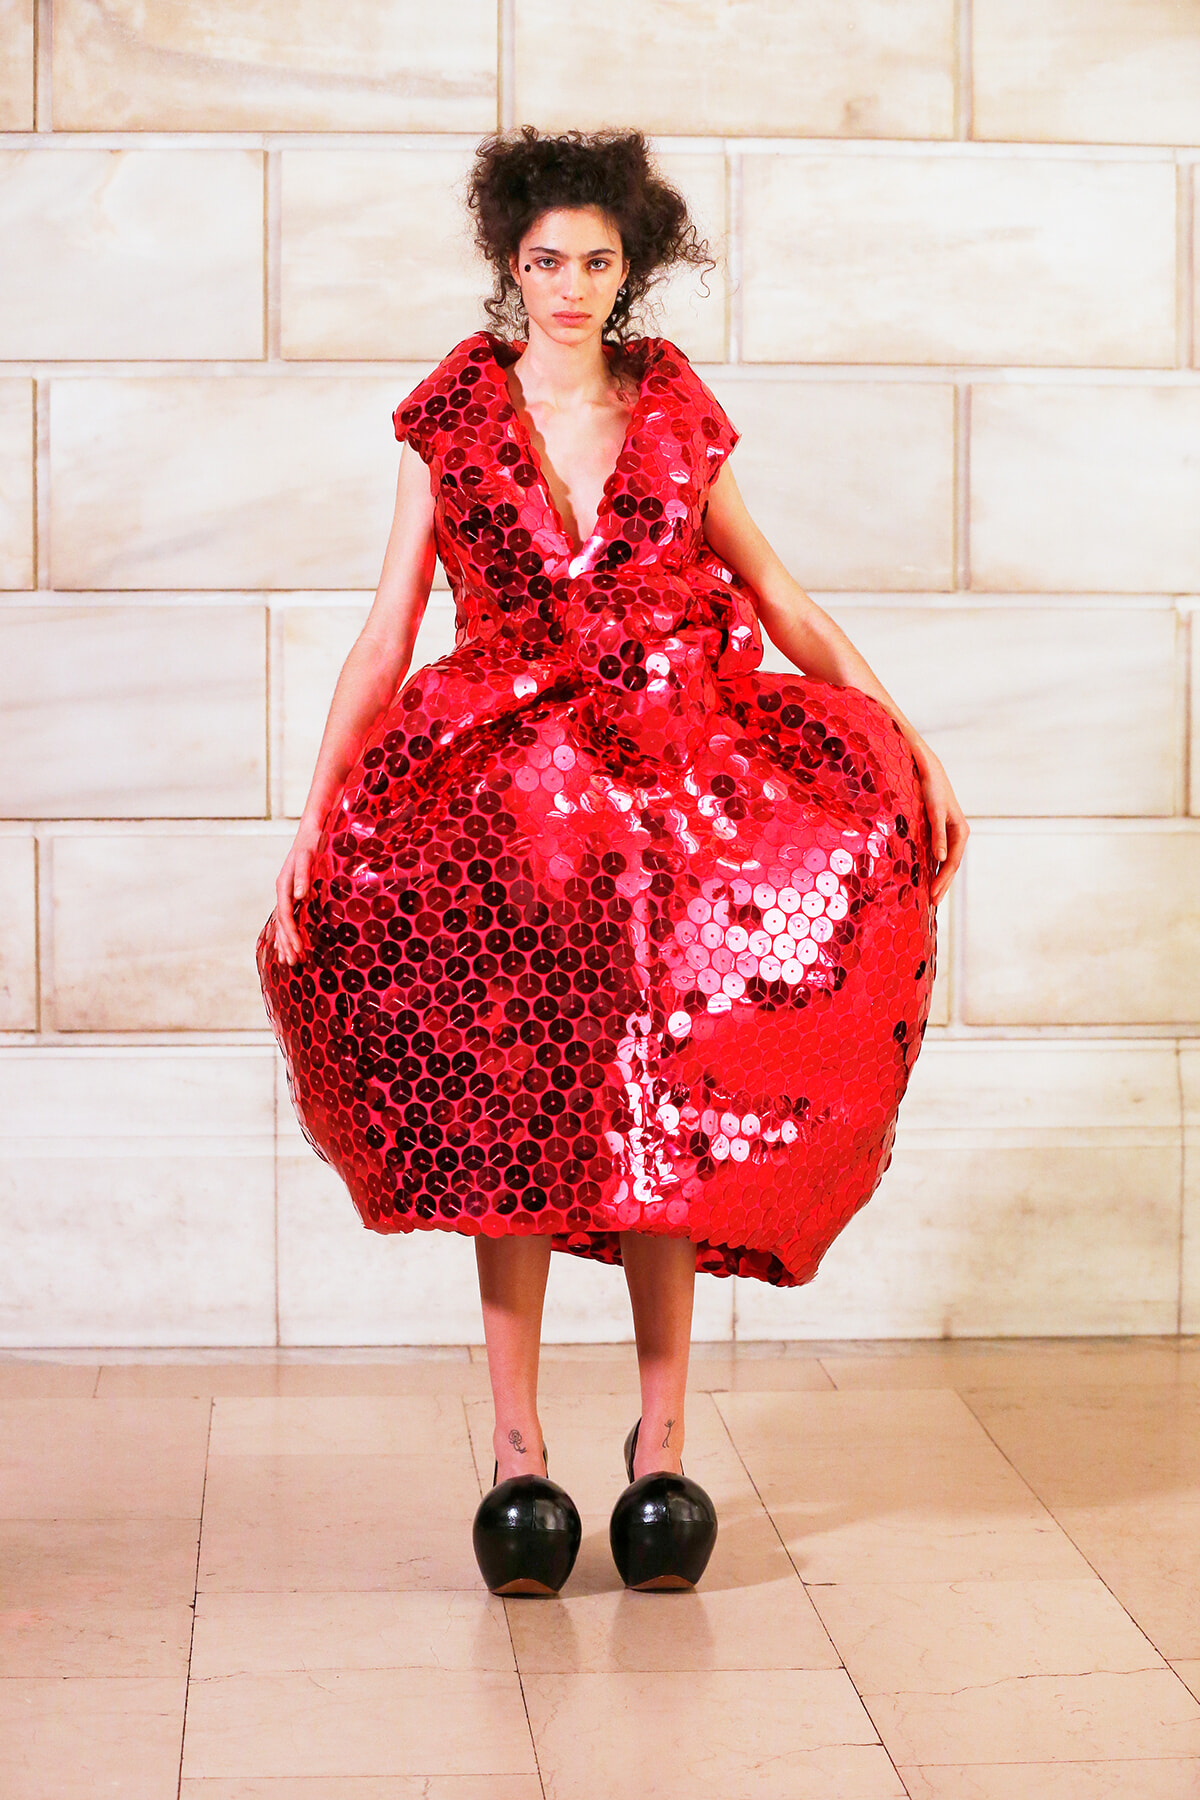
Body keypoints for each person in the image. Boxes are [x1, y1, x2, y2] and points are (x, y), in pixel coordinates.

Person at [258, 128, 969, 1597]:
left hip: (669, 816)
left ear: (630, 267)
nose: (570, 286)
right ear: (508, 265)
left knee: (663, 1117)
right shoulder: (454, 421)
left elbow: (779, 597)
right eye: (545, 261)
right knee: (510, 1114)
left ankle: (662, 1450)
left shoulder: (674, 415)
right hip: (503, 827)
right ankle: (517, 1452)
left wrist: (909, 743)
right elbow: (387, 635)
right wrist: (314, 820)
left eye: (595, 261)